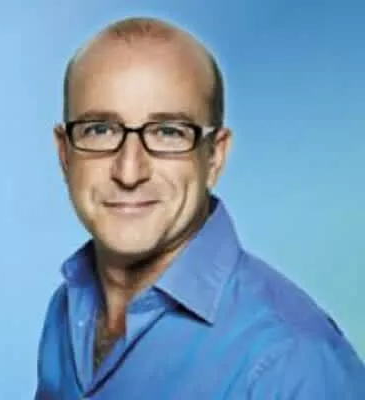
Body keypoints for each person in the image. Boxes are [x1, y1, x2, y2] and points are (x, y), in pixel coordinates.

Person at [35, 17, 365, 400]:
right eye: (100, 129)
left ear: (214, 157)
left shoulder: (293, 363)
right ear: (64, 153)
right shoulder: (67, 310)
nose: (129, 171)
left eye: (168, 132)